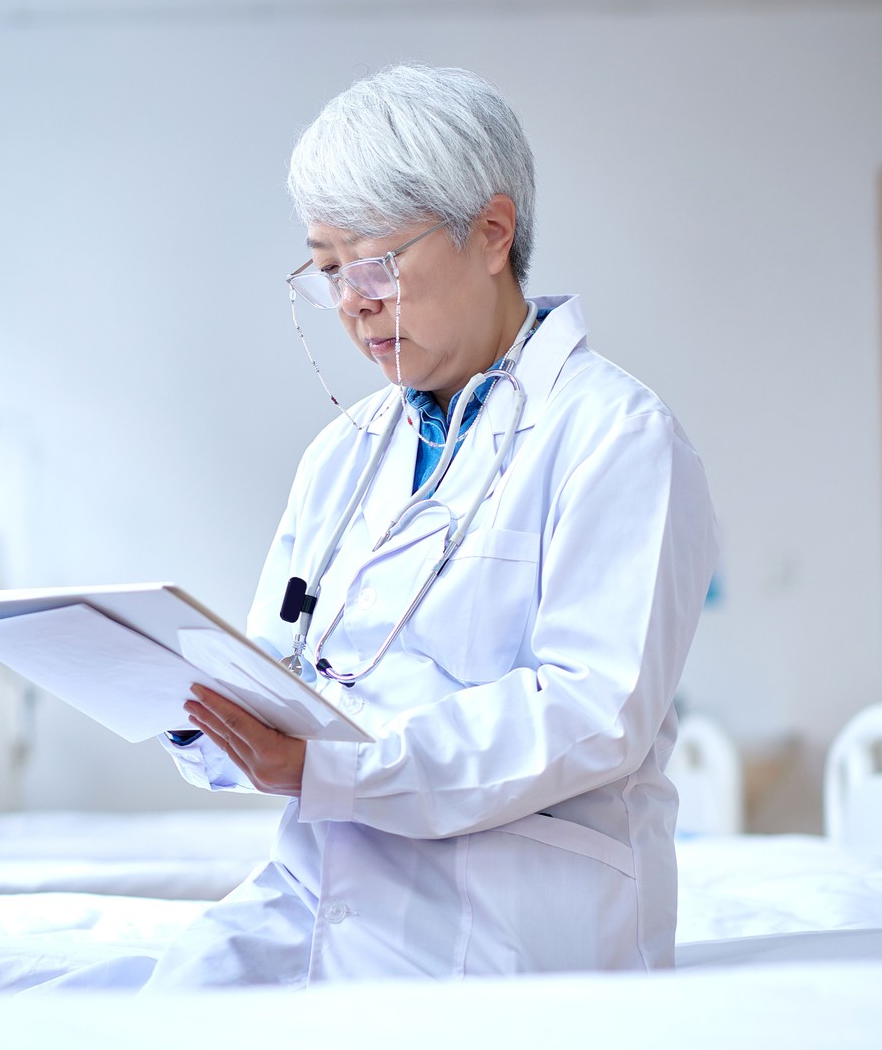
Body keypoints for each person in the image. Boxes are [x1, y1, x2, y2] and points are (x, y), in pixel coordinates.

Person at [149, 63, 718, 986]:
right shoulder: (343, 454)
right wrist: (202, 710)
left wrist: (337, 767)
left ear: (492, 232)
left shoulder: (616, 437)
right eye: (328, 271)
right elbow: (282, 663)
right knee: (161, 1029)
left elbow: (589, 710)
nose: (352, 302)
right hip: (323, 883)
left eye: (374, 265)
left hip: (512, 915)